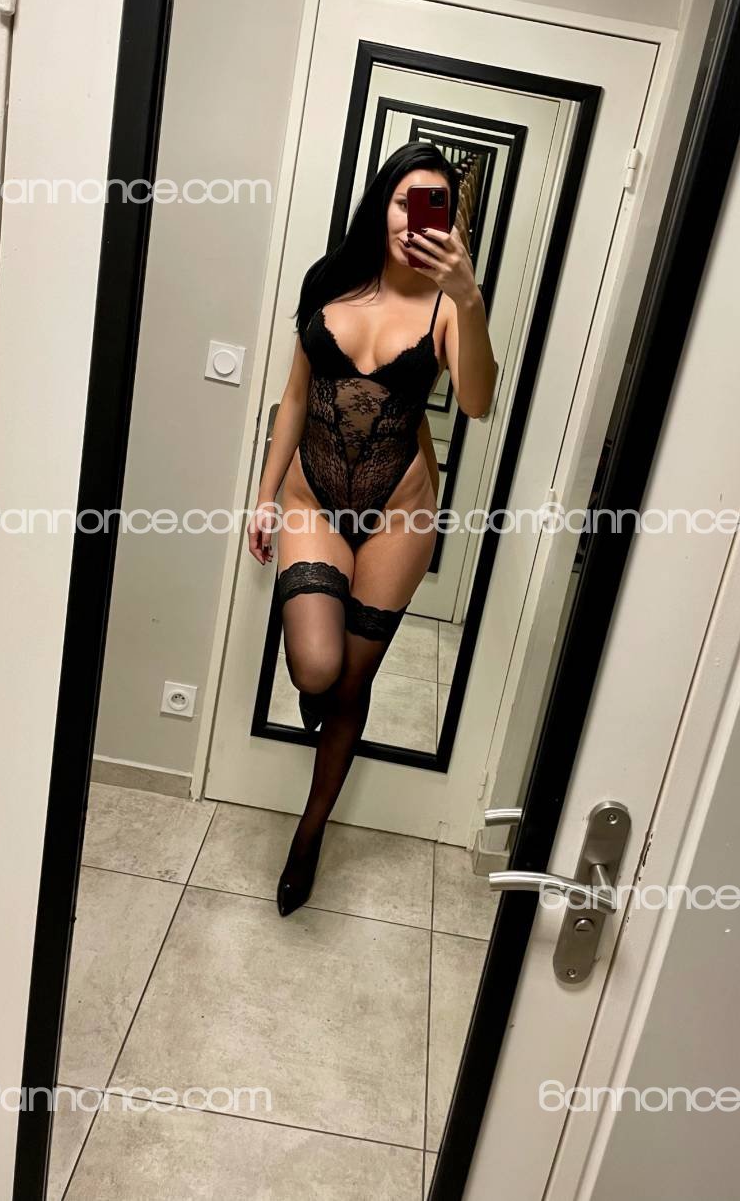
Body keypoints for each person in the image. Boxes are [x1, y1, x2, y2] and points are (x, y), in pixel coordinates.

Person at [247, 141, 498, 915]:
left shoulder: (447, 307)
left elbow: (479, 401)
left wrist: (470, 298)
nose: (414, 221)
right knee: (316, 668)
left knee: (353, 681)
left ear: (449, 223)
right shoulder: (327, 282)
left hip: (401, 510)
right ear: (382, 203)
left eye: (434, 208)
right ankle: (317, 689)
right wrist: (263, 494)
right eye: (404, 201)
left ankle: (310, 831)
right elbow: (297, 396)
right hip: (313, 497)